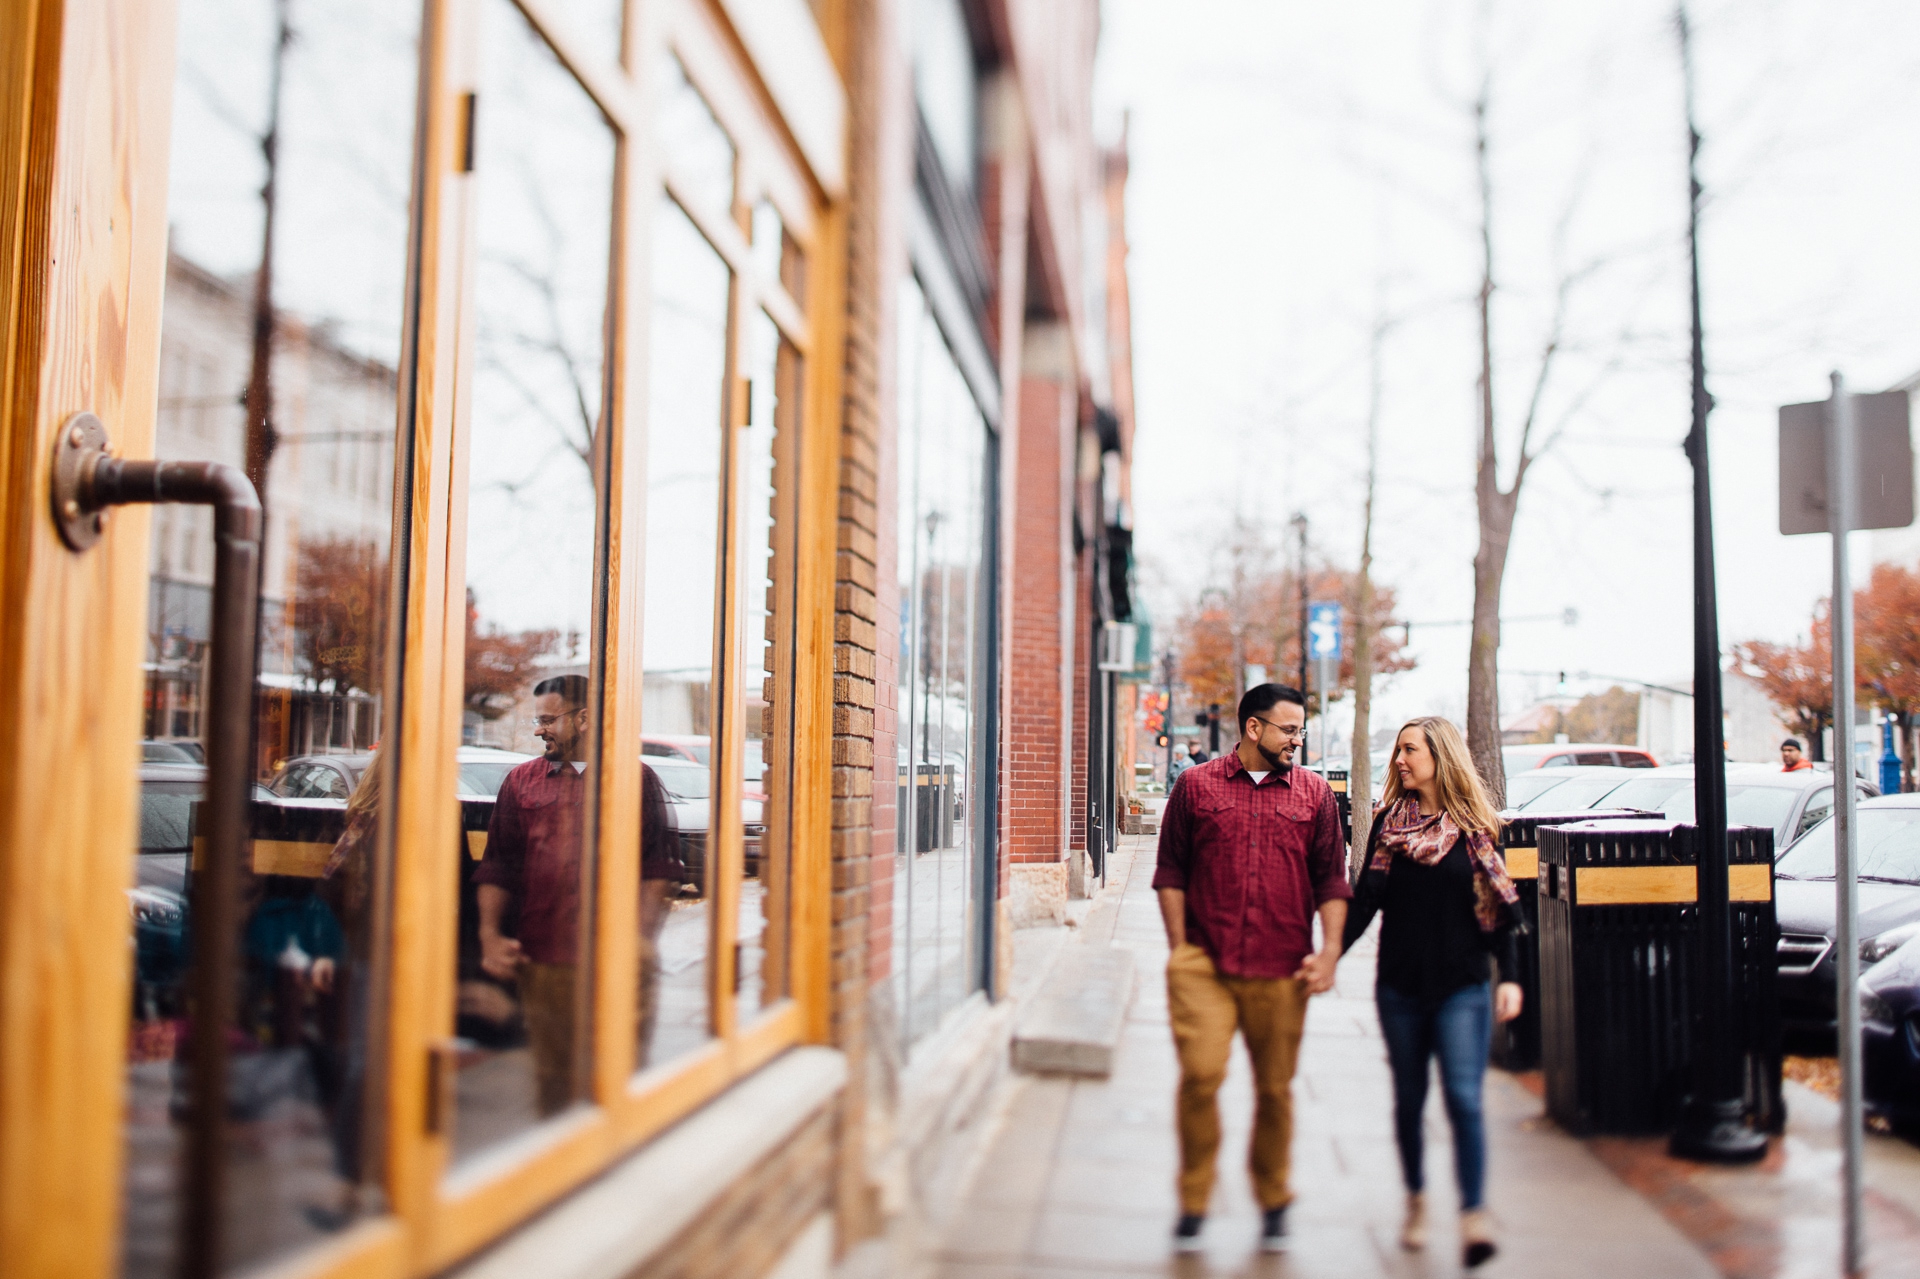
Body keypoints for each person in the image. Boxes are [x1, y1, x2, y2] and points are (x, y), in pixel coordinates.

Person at [1152, 683, 1350, 1255]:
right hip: (1205, 964)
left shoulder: (1314, 795)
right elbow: (1170, 872)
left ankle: (1272, 1197)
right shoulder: (1195, 786)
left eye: (1301, 730)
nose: (1298, 740)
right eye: (1290, 730)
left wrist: (1331, 950)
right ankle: (1194, 1200)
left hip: (1282, 966)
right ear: (1254, 729)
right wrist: (1179, 950)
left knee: (1275, 1090)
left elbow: (1331, 881)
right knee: (1201, 1076)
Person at [1342, 716, 1523, 1269]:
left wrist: (1510, 977)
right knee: (1410, 1099)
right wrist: (1327, 957)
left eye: (1410, 750)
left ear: (1440, 756)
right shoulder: (1387, 825)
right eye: (1398, 750)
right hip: (1399, 985)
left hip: (1461, 986)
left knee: (1464, 1098)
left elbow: (1504, 906)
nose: (1400, 760)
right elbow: (1366, 900)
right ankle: (1417, 1198)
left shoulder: (1475, 830)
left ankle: (1472, 1213)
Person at [475, 674, 682, 1113]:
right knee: (554, 1086)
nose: (538, 730)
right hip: (544, 963)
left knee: (615, 1083)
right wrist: (491, 936)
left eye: (547, 719)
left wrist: (638, 944)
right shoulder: (519, 783)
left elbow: (658, 868)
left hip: (615, 961)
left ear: (584, 718)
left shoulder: (634, 779)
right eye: (538, 720)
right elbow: (498, 866)